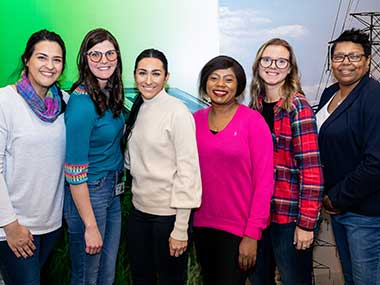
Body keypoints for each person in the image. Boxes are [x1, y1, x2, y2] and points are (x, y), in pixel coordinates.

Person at [193, 55, 274, 285]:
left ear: (238, 85)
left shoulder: (253, 122)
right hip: (201, 225)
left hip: (239, 230)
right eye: (214, 78)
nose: (220, 85)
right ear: (205, 84)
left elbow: (264, 182)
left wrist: (252, 234)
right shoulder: (194, 121)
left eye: (228, 79)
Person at [124, 48, 202, 285]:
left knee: (170, 280)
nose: (148, 80)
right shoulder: (138, 106)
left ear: (166, 77)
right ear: (135, 75)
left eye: (156, 74)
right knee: (141, 278)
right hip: (139, 213)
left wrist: (180, 228)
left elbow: (188, 171)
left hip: (167, 217)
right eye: (142, 73)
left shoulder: (177, 112)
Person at [249, 38, 324, 285]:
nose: (273, 66)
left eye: (281, 61)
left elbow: (311, 170)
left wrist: (306, 224)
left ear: (290, 68)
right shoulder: (255, 107)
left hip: (289, 218)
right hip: (261, 216)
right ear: (258, 65)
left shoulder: (298, 107)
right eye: (267, 60)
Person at [0, 29, 67, 284]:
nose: (49, 66)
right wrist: (9, 225)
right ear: (26, 59)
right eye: (41, 57)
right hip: (14, 227)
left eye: (57, 59)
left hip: (50, 225)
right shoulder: (5, 101)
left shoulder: (63, 103)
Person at [316, 29, 380, 285]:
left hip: (365, 214)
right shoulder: (329, 93)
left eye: (354, 56)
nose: (345, 63)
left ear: (367, 60)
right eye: (339, 57)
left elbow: (376, 162)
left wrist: (336, 197)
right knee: (352, 279)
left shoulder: (374, 96)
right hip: (339, 209)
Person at [64, 28, 125, 284]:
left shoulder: (110, 92)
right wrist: (89, 225)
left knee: (106, 274)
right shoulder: (81, 102)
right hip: (89, 195)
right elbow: (74, 172)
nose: (104, 60)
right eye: (95, 54)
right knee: (88, 276)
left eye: (110, 53)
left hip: (112, 190)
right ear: (85, 59)